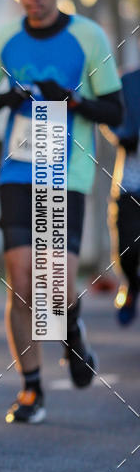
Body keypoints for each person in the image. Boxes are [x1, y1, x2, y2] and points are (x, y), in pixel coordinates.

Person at [0, 0, 123, 424]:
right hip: (17, 171)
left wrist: (72, 101)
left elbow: (115, 112)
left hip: (65, 173)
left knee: (57, 285)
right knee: (22, 284)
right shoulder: (6, 38)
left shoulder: (87, 38)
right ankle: (31, 390)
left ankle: (72, 337)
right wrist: (2, 99)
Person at [105, 67, 140, 325]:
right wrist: (122, 136)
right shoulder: (126, 82)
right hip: (130, 184)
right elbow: (109, 115)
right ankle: (131, 285)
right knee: (127, 253)